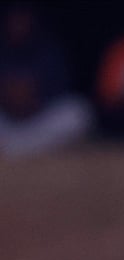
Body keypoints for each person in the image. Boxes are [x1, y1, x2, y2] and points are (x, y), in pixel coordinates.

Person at [0, 2, 93, 158]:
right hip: (6, 123)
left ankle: (19, 149)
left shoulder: (49, 52)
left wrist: (32, 99)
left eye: (22, 20)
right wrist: (8, 96)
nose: (18, 26)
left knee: (78, 112)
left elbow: (60, 92)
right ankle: (15, 147)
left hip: (39, 122)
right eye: (14, 21)